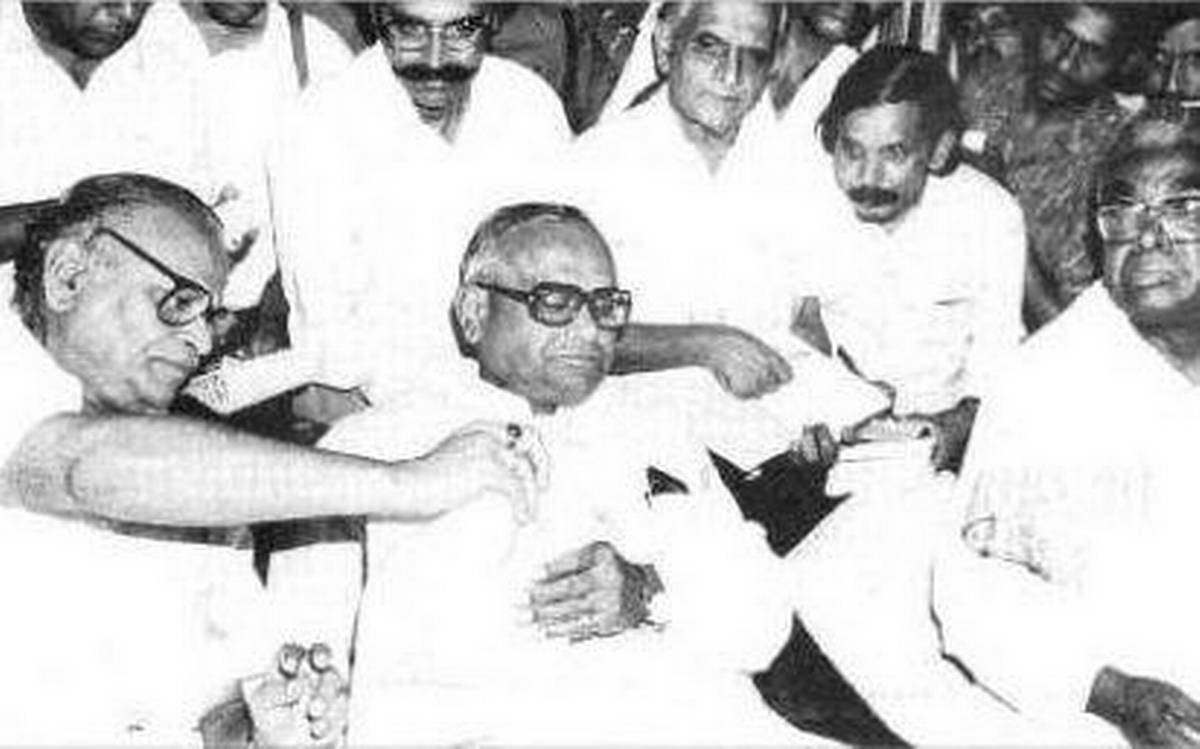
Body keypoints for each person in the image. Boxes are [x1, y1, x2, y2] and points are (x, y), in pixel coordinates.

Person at [0, 173, 542, 741]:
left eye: (210, 317)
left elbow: (216, 714)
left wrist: (269, 724)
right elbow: (80, 466)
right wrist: (408, 484)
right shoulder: (21, 382)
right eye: (180, 301)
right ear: (68, 276)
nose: (201, 342)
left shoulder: (205, 478)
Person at [320, 202, 814, 744]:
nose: (589, 329)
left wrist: (650, 590)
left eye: (605, 306)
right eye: (554, 302)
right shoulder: (373, 447)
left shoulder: (657, 427)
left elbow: (766, 623)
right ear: (474, 310)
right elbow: (315, 678)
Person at [934, 113, 1200, 745]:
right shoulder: (1043, 384)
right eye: (1121, 213)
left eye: (1183, 208)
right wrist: (1113, 693)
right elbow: (972, 589)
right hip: (1122, 718)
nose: (1148, 237)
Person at [268, 0, 570, 422]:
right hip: (375, 410)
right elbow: (334, 333)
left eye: (461, 29)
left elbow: (561, 269)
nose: (434, 60)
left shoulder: (530, 106)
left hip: (521, 394)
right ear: (378, 18)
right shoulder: (318, 125)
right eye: (410, 30)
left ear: (491, 21)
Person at [791, 46, 1025, 477]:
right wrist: (822, 402)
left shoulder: (989, 215)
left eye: (894, 154)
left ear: (938, 150)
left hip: (938, 448)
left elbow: (999, 362)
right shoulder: (808, 201)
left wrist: (955, 428)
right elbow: (791, 327)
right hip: (823, 436)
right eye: (852, 151)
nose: (867, 177)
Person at [570, 1, 799, 402]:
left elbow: (816, 315)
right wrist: (703, 346)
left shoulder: (792, 171)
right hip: (629, 422)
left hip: (770, 421)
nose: (731, 76)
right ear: (665, 45)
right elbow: (561, 329)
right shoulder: (597, 166)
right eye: (710, 48)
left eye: (753, 56)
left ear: (774, 64)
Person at [961, 2, 1149, 329]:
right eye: (1059, 36)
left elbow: (1065, 328)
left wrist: (1001, 211)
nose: (1064, 62)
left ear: (1123, 62)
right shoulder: (989, 82)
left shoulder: (1114, 161)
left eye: (1092, 52)